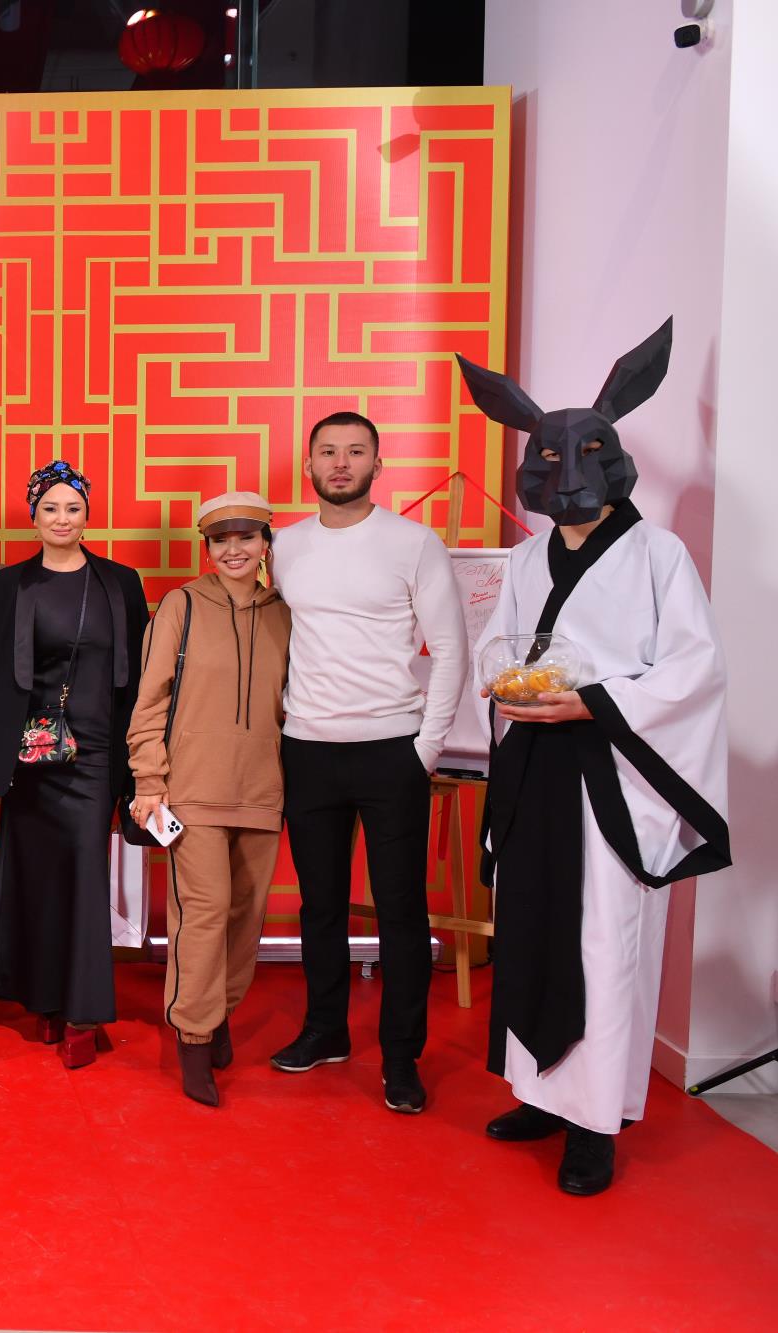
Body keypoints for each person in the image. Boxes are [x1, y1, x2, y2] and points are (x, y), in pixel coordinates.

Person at [458, 321, 730, 1196]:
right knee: (531, 923)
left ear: (612, 463)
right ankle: (539, 1090)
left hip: (612, 768)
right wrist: (504, 681)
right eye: (551, 460)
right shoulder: (527, 557)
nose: (568, 478)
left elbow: (694, 667)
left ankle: (595, 1121)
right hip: (535, 763)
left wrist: (594, 701)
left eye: (584, 458)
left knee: (603, 937)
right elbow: (498, 644)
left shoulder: (659, 555)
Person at [265, 412, 466, 1115]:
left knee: (401, 910)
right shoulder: (285, 546)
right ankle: (325, 1030)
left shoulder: (414, 543)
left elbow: (451, 649)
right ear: (309, 465)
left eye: (356, 452)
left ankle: (401, 1057)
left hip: (392, 750)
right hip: (308, 747)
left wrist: (426, 748)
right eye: (328, 451)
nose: (341, 462)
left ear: (378, 465)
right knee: (319, 904)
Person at [0, 461, 149, 1069]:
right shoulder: (8, 586)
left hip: (97, 754)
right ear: (34, 517)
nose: (62, 518)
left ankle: (82, 1012)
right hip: (31, 753)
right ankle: (43, 1001)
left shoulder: (120, 583)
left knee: (84, 873)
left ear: (87, 516)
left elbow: (139, 678)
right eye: (50, 508)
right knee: (35, 876)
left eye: (73, 508)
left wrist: (143, 761)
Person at [127, 491, 291, 1106]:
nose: (233, 550)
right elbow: (150, 700)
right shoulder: (183, 605)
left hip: (262, 789)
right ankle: (194, 1037)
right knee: (204, 911)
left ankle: (219, 1011)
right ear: (208, 547)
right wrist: (149, 780)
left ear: (265, 543)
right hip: (191, 791)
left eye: (245, 537)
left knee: (246, 916)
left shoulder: (286, 613)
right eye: (220, 540)